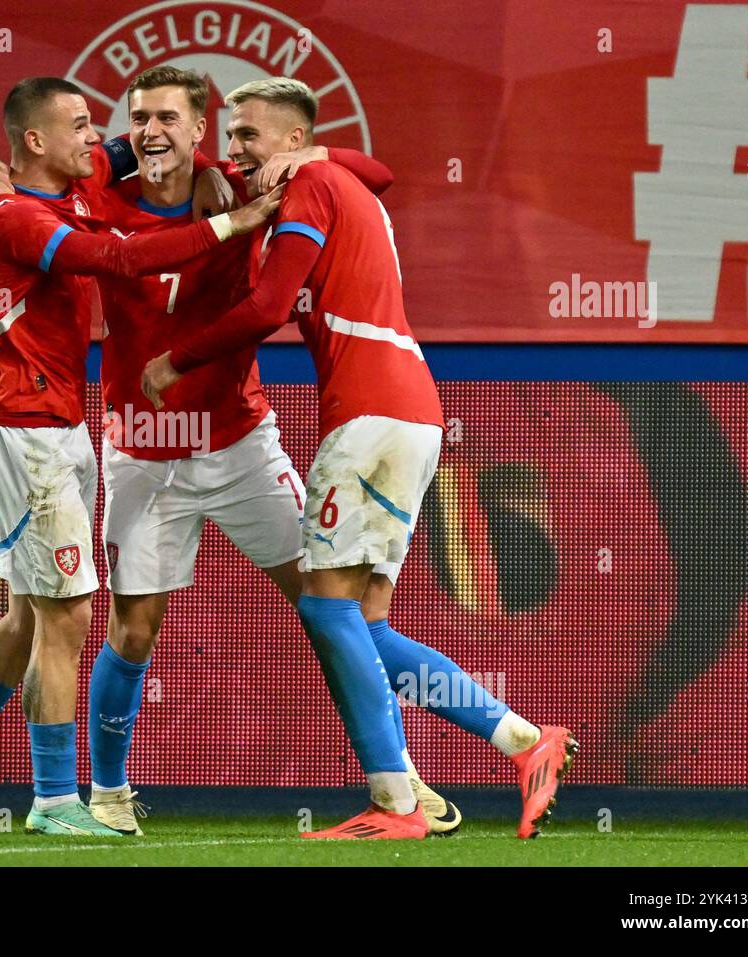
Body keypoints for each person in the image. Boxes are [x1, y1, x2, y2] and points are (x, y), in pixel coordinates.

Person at [142, 78, 577, 839]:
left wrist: (175, 359)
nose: (234, 149)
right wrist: (312, 152)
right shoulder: (330, 176)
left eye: (246, 134)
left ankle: (395, 801)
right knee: (364, 622)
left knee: (323, 605)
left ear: (288, 138)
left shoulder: (311, 181)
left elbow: (269, 308)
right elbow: (379, 172)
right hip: (406, 412)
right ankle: (521, 740)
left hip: (373, 416)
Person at [0, 76, 280, 836]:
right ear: (36, 141)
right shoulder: (9, 212)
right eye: (80, 126)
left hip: (61, 426)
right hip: (22, 431)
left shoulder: (69, 179)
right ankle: (54, 801)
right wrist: (235, 224)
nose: (100, 138)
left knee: (26, 616)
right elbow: (121, 259)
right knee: (68, 613)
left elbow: (132, 154)